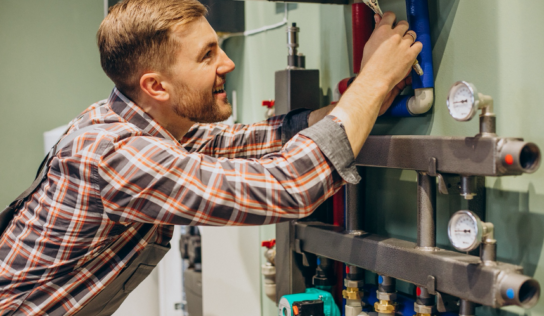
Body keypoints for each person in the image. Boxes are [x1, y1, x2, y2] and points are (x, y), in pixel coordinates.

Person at [0, 0, 421, 314]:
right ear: (157, 86)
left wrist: (366, 100)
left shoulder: (138, 120)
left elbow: (259, 139)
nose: (229, 62)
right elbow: (289, 186)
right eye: (207, 55)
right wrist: (374, 78)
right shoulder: (114, 154)